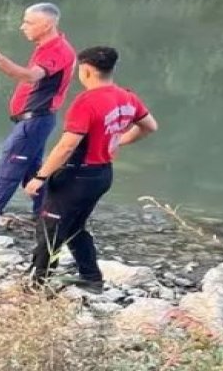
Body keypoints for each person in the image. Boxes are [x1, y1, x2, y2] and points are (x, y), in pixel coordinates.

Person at [23, 46, 158, 291]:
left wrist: (40, 177)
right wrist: (119, 139)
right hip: (102, 174)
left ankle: (36, 286)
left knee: (50, 229)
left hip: (76, 175)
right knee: (75, 226)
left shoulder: (87, 102)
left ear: (85, 70)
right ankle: (91, 277)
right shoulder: (127, 97)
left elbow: (66, 146)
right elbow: (150, 126)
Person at [0, 3, 76, 235]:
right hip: (36, 121)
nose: (23, 27)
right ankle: (44, 214)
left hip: (35, 121)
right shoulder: (46, 47)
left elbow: (30, 77)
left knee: (9, 167)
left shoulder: (57, 50)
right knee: (31, 170)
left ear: (47, 24)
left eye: (29, 22)